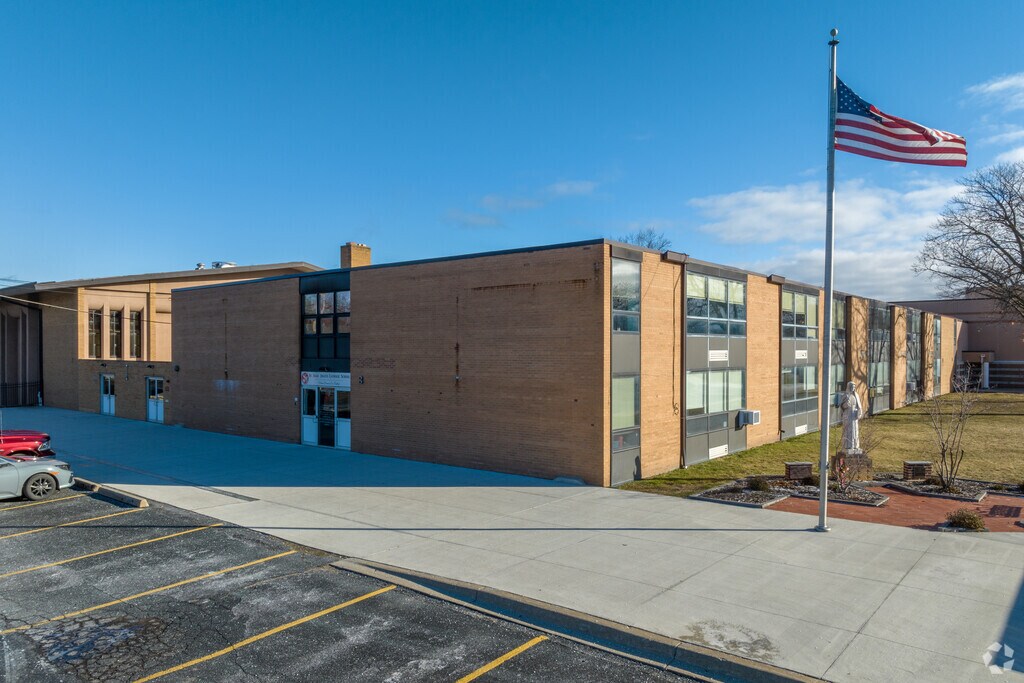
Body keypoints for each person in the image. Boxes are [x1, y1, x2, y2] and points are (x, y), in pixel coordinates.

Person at [840, 381, 863, 451]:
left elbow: (858, 406)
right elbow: (841, 407)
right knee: (848, 431)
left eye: (854, 387)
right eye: (852, 387)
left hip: (854, 415)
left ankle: (855, 445)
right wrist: (845, 405)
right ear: (849, 387)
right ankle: (848, 445)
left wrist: (859, 412)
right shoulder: (845, 395)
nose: (853, 388)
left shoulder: (856, 395)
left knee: (855, 431)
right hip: (848, 415)